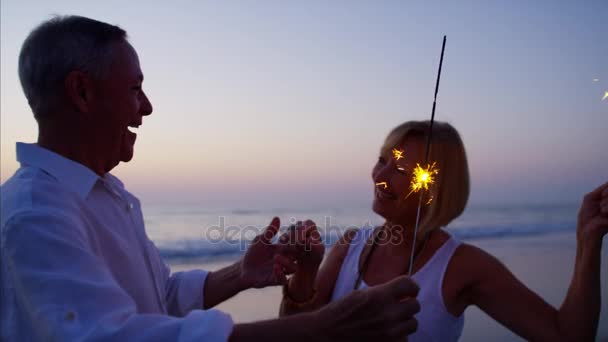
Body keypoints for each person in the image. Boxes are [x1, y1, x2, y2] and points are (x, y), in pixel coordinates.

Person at [0, 16, 421, 341]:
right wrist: (321, 329)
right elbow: (113, 336)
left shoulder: (107, 195)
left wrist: (240, 274)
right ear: (82, 92)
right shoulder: (36, 212)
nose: (146, 108)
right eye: (134, 89)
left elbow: (159, 297)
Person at [278, 120, 608, 341]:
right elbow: (291, 334)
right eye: (383, 160)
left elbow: (567, 336)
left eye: (402, 169)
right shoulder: (351, 245)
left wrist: (588, 241)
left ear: (435, 186)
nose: (380, 176)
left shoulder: (463, 265)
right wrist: (305, 273)